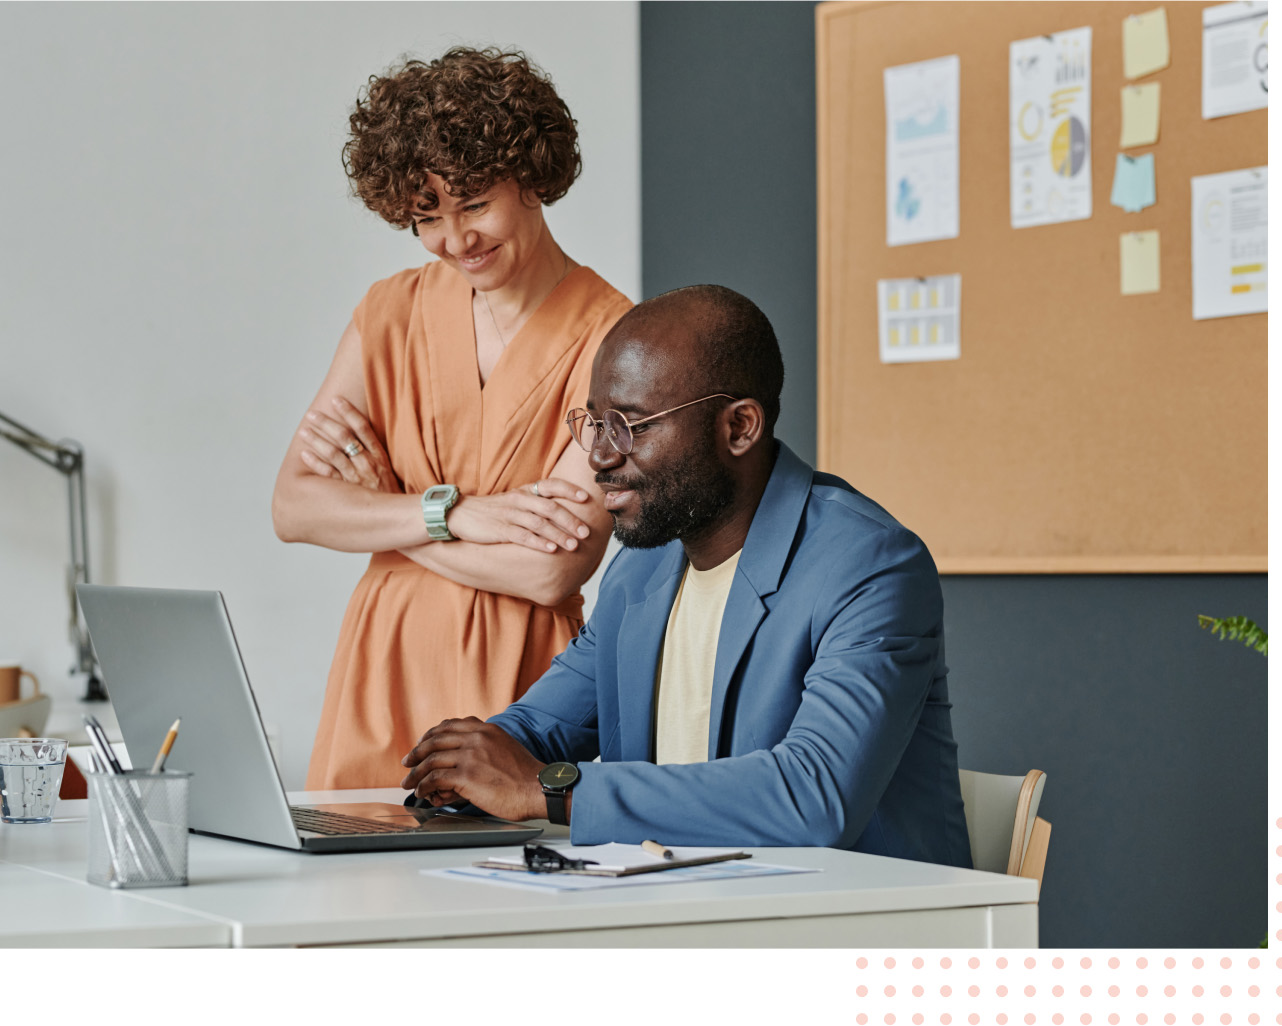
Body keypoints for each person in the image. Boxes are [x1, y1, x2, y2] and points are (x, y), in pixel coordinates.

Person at [399, 285, 973, 865]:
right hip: (680, 906)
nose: (599, 454)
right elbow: (540, 731)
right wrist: (464, 767)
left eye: (632, 425)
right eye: (595, 422)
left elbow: (813, 794)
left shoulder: (869, 565)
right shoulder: (641, 570)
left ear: (740, 427)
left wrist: (548, 791)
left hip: (852, 928)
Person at [272, 48, 631, 790]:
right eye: (426, 217)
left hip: (521, 689)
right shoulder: (389, 312)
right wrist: (460, 515)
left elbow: (548, 567)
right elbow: (295, 506)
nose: (455, 240)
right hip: (381, 664)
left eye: (473, 205)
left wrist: (388, 518)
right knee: (354, 891)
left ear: (532, 176)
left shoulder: (615, 336)